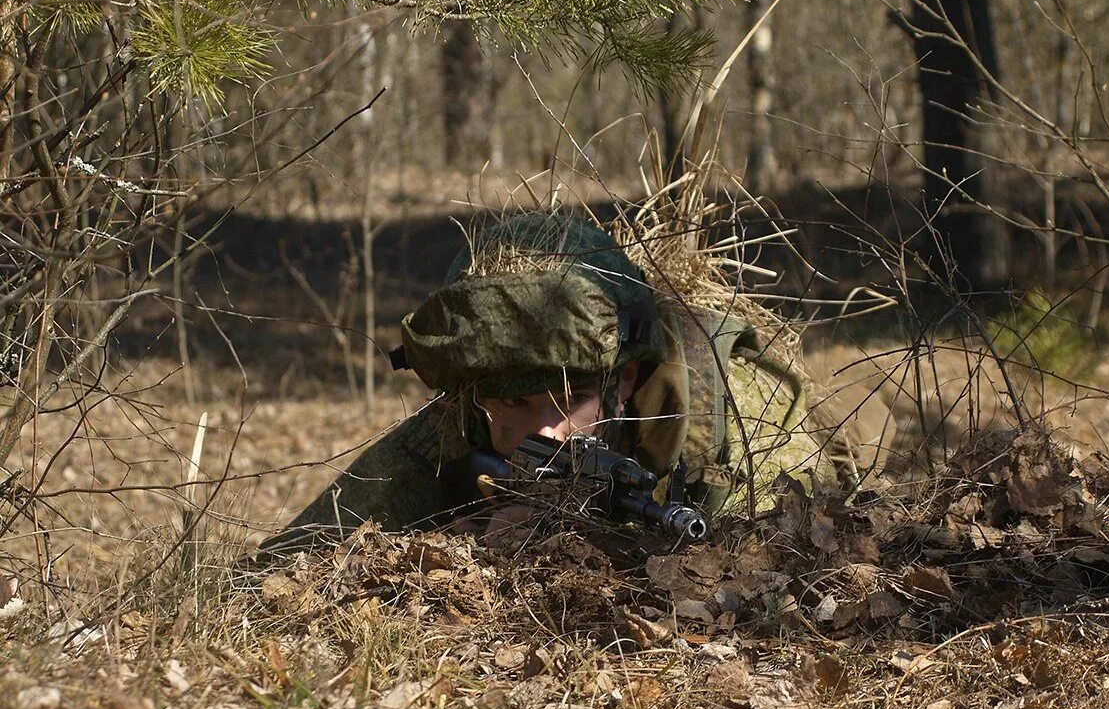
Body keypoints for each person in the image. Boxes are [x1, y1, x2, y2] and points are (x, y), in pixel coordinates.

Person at [259, 212, 863, 556]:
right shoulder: (456, 426)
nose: (544, 430)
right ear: (475, 393)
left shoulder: (727, 421)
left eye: (570, 401)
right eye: (516, 405)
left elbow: (798, 566)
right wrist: (452, 549)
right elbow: (281, 573)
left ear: (624, 377)